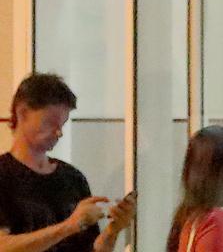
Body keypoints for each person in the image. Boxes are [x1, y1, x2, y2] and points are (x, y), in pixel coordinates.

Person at [0, 72, 136, 252]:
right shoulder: (4, 175)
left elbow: (93, 248)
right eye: (50, 123)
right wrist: (70, 226)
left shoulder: (72, 178)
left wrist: (113, 229)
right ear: (23, 113)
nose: (58, 133)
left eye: (62, 125)